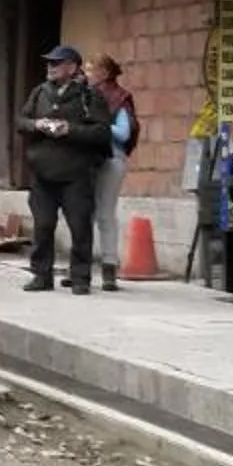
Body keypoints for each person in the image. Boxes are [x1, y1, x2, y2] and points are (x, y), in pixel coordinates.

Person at [18, 42, 113, 294]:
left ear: (72, 68)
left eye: (56, 63)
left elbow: (103, 132)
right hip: (42, 174)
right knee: (42, 227)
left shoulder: (89, 96)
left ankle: (80, 278)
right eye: (49, 63)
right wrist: (37, 125)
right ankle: (41, 276)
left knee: (80, 228)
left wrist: (70, 130)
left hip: (76, 174)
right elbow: (21, 121)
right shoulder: (40, 92)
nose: (50, 67)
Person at [89, 54, 139, 291]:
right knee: (83, 213)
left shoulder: (119, 98)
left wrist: (100, 125)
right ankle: (81, 266)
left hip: (111, 158)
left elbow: (123, 133)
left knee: (105, 213)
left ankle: (109, 266)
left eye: (92, 69)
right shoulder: (86, 95)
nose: (88, 74)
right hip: (87, 160)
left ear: (105, 73)